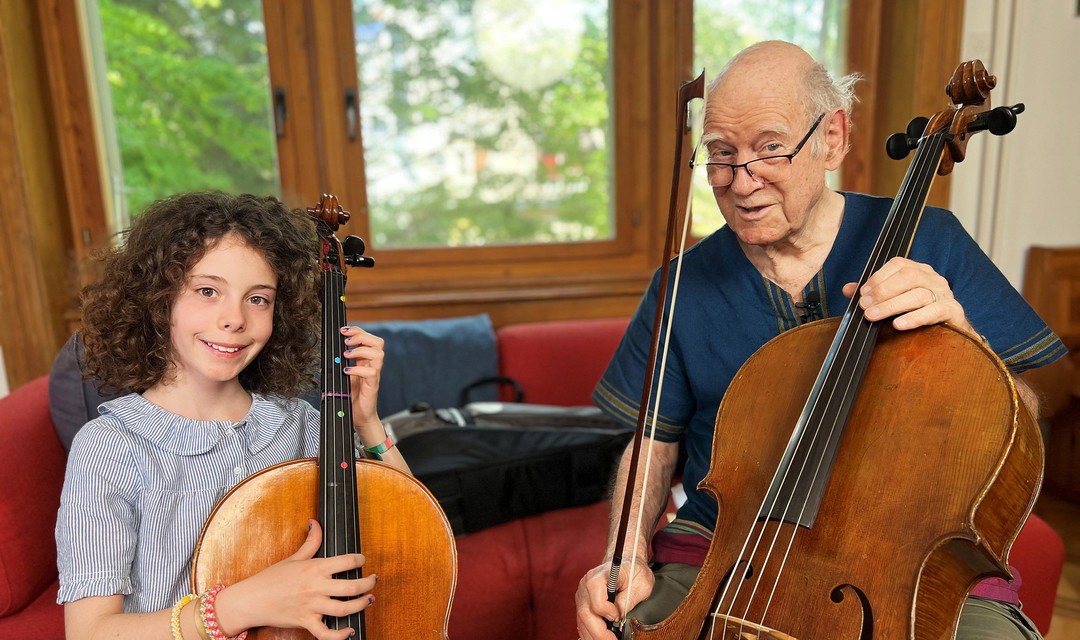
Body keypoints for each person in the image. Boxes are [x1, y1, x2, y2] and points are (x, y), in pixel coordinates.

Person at [575, 40, 1065, 640]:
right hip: (731, 547)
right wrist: (623, 553)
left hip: (906, 552)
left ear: (833, 137)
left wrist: (962, 341)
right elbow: (652, 443)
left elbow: (1029, 411)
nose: (740, 180)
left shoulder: (932, 241)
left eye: (770, 148)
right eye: (721, 154)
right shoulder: (681, 285)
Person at [56, 192, 407, 639]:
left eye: (258, 299)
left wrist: (366, 423)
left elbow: (412, 538)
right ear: (157, 299)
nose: (234, 319)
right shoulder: (111, 446)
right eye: (207, 291)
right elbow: (90, 632)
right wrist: (240, 605)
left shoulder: (300, 425)